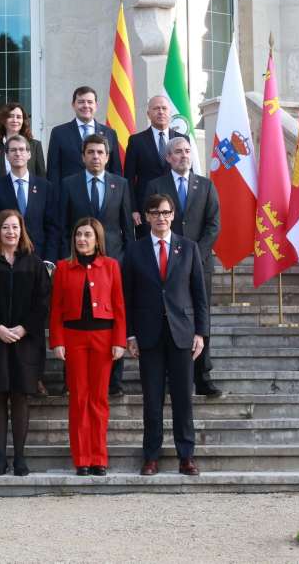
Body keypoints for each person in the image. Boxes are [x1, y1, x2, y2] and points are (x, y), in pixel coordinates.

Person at [124, 193, 209, 477]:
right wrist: (130, 335)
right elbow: (127, 296)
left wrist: (201, 332)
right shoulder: (135, 250)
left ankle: (187, 456)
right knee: (152, 400)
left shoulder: (189, 247)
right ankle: (151, 456)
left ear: (172, 215)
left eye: (165, 212)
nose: (160, 217)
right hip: (148, 335)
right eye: (154, 212)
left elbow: (199, 295)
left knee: (183, 398)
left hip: (182, 333)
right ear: (147, 217)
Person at [0, 209, 50, 476]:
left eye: (15, 227)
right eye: (5, 227)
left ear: (22, 230)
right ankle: (1, 458)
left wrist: (24, 328)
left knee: (20, 396)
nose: (11, 232)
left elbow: (43, 301)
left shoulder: (34, 263)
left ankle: (20, 459)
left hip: (25, 341)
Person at [142, 137, 222, 397]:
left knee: (201, 317)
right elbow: (151, 223)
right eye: (178, 152)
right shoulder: (156, 185)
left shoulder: (206, 185)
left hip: (200, 263)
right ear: (168, 157)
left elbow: (213, 225)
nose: (184, 155)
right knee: (167, 317)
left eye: (187, 151)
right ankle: (169, 376)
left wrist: (194, 256)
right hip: (164, 264)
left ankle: (203, 375)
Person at [49, 218, 127, 476]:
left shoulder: (111, 266)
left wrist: (119, 340)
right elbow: (56, 308)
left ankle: (99, 458)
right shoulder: (63, 267)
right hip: (74, 338)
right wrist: (57, 340)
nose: (82, 239)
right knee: (79, 399)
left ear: (97, 239)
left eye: (87, 235)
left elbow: (119, 306)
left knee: (99, 399)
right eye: (78, 235)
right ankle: (82, 458)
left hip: (103, 338)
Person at [58, 134, 133, 396]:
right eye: (90, 152)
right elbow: (63, 226)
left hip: (113, 264)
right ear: (83, 157)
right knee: (76, 315)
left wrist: (126, 261)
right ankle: (70, 381)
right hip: (77, 264)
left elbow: (127, 227)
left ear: (108, 156)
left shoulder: (120, 184)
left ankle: (114, 382)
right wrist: (66, 260)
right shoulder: (69, 184)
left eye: (100, 152)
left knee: (112, 317)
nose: (95, 157)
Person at [0, 134, 60, 264]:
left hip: (39, 259)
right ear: (6, 156)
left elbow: (52, 227)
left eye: (22, 149)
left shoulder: (45, 187)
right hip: (6, 260)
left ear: (29, 154)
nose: (18, 153)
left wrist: (49, 260)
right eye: (13, 150)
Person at [125, 95, 188, 228]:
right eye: (156, 108)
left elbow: (188, 173)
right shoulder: (136, 141)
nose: (161, 112)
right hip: (146, 208)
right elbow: (128, 178)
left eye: (164, 108)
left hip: (176, 206)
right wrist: (133, 209)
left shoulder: (183, 139)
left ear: (170, 112)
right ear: (148, 114)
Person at [46, 86, 123, 185]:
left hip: (101, 191)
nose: (86, 105)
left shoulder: (110, 133)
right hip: (70, 192)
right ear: (73, 105)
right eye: (81, 102)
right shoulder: (58, 133)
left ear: (96, 105)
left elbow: (115, 170)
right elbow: (53, 171)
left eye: (90, 102)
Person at [0, 102, 45, 184]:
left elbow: (41, 178)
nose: (15, 120)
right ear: (4, 120)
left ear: (23, 121)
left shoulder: (35, 146)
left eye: (19, 117)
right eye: (11, 116)